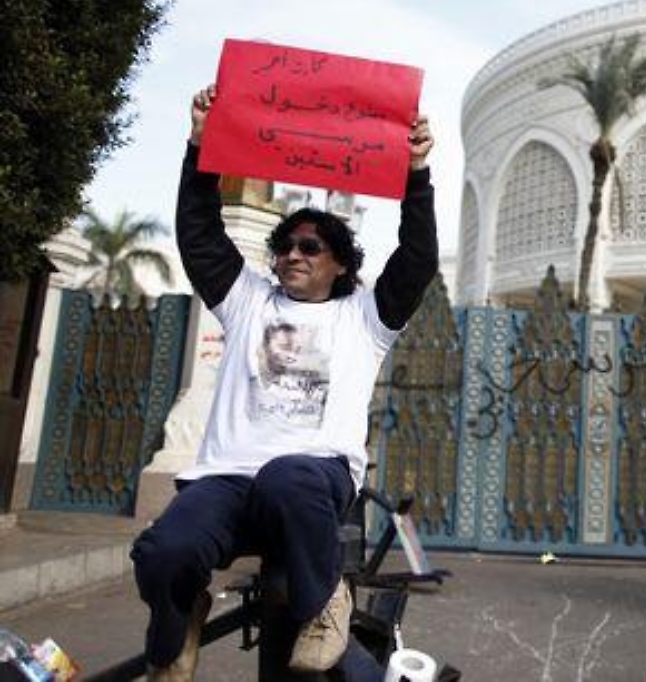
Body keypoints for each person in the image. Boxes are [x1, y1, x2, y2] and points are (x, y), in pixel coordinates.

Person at [131, 84, 438, 680]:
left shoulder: (366, 318)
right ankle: (174, 635)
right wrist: (199, 146)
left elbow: (417, 257)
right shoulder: (247, 301)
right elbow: (199, 235)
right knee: (166, 551)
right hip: (227, 483)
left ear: (340, 262)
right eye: (284, 247)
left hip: (310, 483)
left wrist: (417, 175)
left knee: (288, 475)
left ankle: (323, 604)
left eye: (310, 246)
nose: (293, 255)